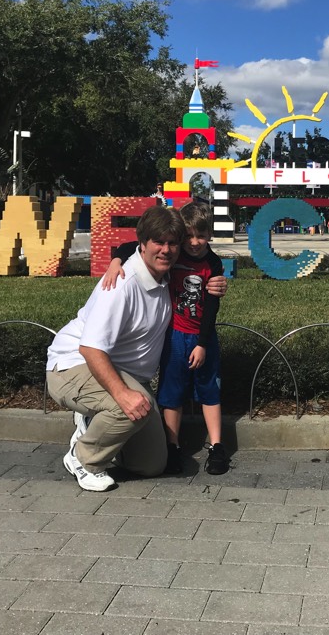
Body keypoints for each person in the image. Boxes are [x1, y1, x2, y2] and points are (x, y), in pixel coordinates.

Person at [45, 205, 185, 491]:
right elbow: (91, 349)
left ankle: (99, 422)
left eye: (173, 243)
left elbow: (203, 256)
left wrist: (216, 281)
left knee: (151, 464)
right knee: (131, 405)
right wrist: (122, 395)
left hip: (120, 372)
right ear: (142, 245)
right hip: (73, 366)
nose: (166, 250)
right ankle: (83, 458)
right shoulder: (122, 284)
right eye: (158, 242)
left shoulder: (165, 277)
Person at [102, 203, 229, 475]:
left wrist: (203, 343)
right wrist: (115, 262)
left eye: (202, 236)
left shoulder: (213, 262)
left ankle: (217, 446)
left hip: (201, 337)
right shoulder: (174, 252)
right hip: (174, 335)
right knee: (172, 392)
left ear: (210, 235)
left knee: (209, 389)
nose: (195, 243)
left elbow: (211, 306)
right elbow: (130, 247)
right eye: (189, 236)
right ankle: (172, 446)